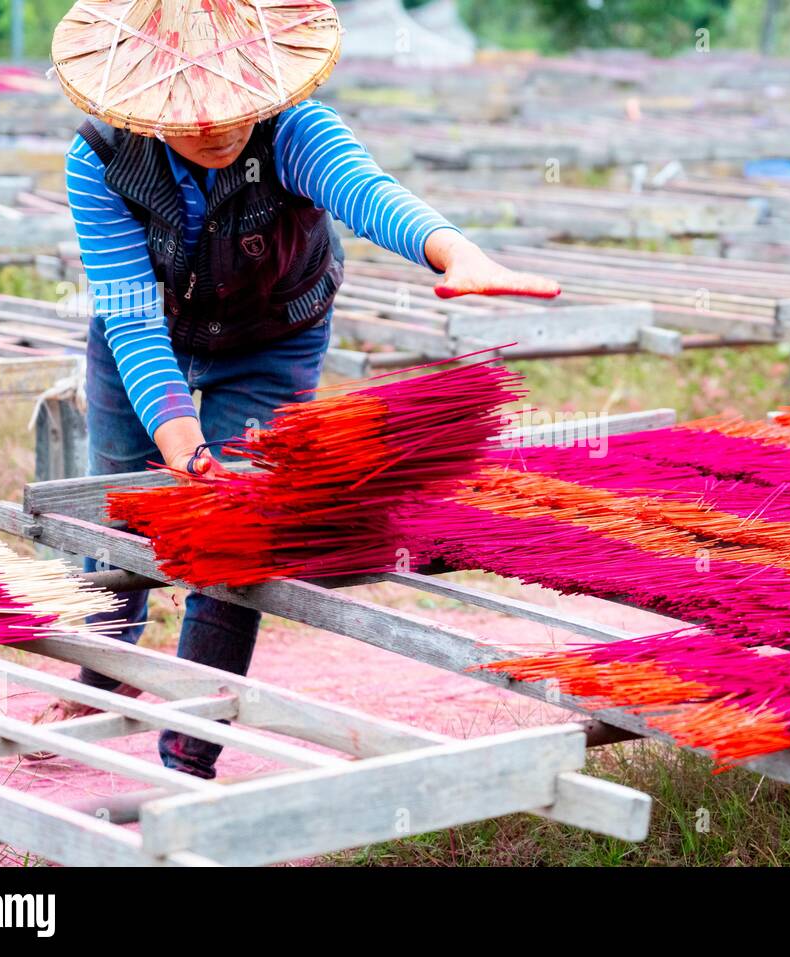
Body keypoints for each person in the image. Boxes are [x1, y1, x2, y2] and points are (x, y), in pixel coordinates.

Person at [33, 0, 559, 778]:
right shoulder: (101, 158)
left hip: (272, 338)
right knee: (120, 510)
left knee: (241, 533)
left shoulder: (296, 130)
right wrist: (183, 445)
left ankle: (188, 751)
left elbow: (366, 191)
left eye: (235, 104)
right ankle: (103, 669)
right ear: (142, 104)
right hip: (145, 335)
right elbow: (132, 319)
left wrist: (453, 252)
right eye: (190, 110)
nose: (216, 125)